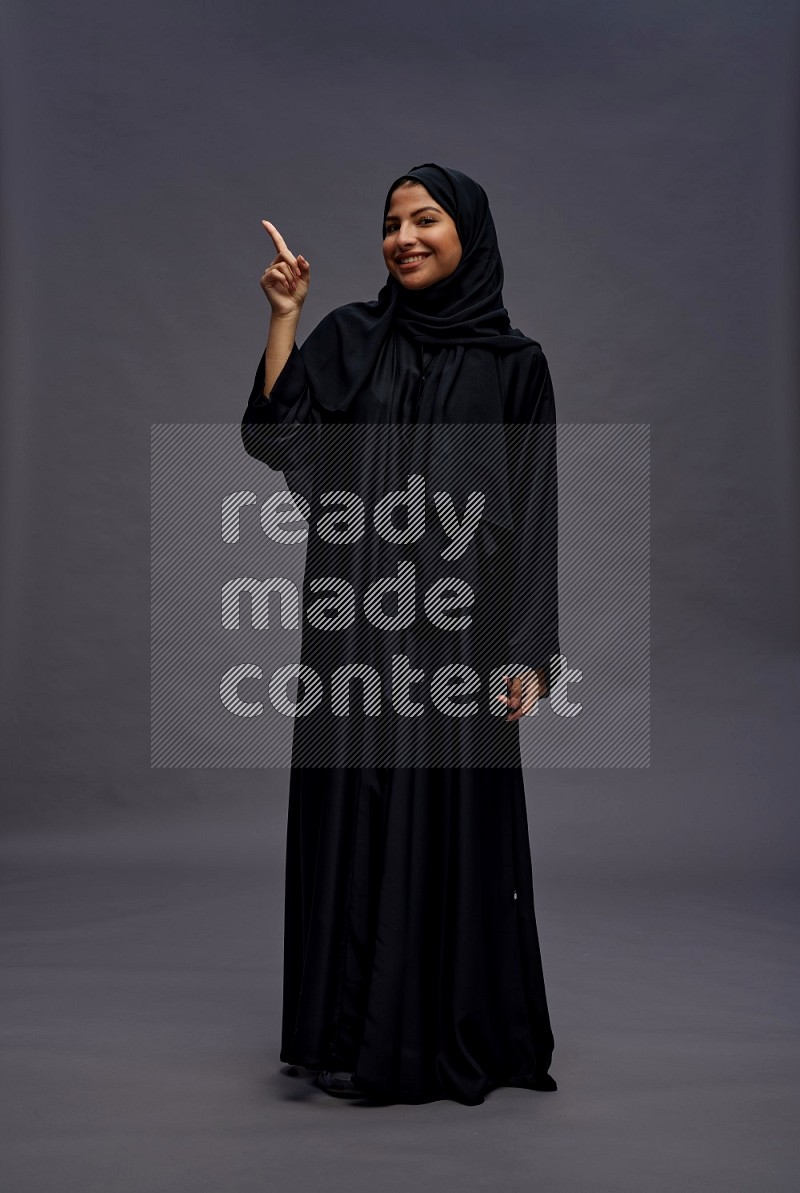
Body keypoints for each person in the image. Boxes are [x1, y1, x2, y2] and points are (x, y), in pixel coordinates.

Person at [240, 163, 561, 1106]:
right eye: (391, 222)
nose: (405, 237)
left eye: (426, 219)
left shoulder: (516, 366)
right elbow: (281, 438)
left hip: (460, 639)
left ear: (469, 234)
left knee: (446, 821)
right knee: (355, 813)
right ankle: (347, 1031)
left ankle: (442, 1032)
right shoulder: (350, 336)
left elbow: (536, 510)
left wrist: (530, 651)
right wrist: (286, 318)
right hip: (352, 624)